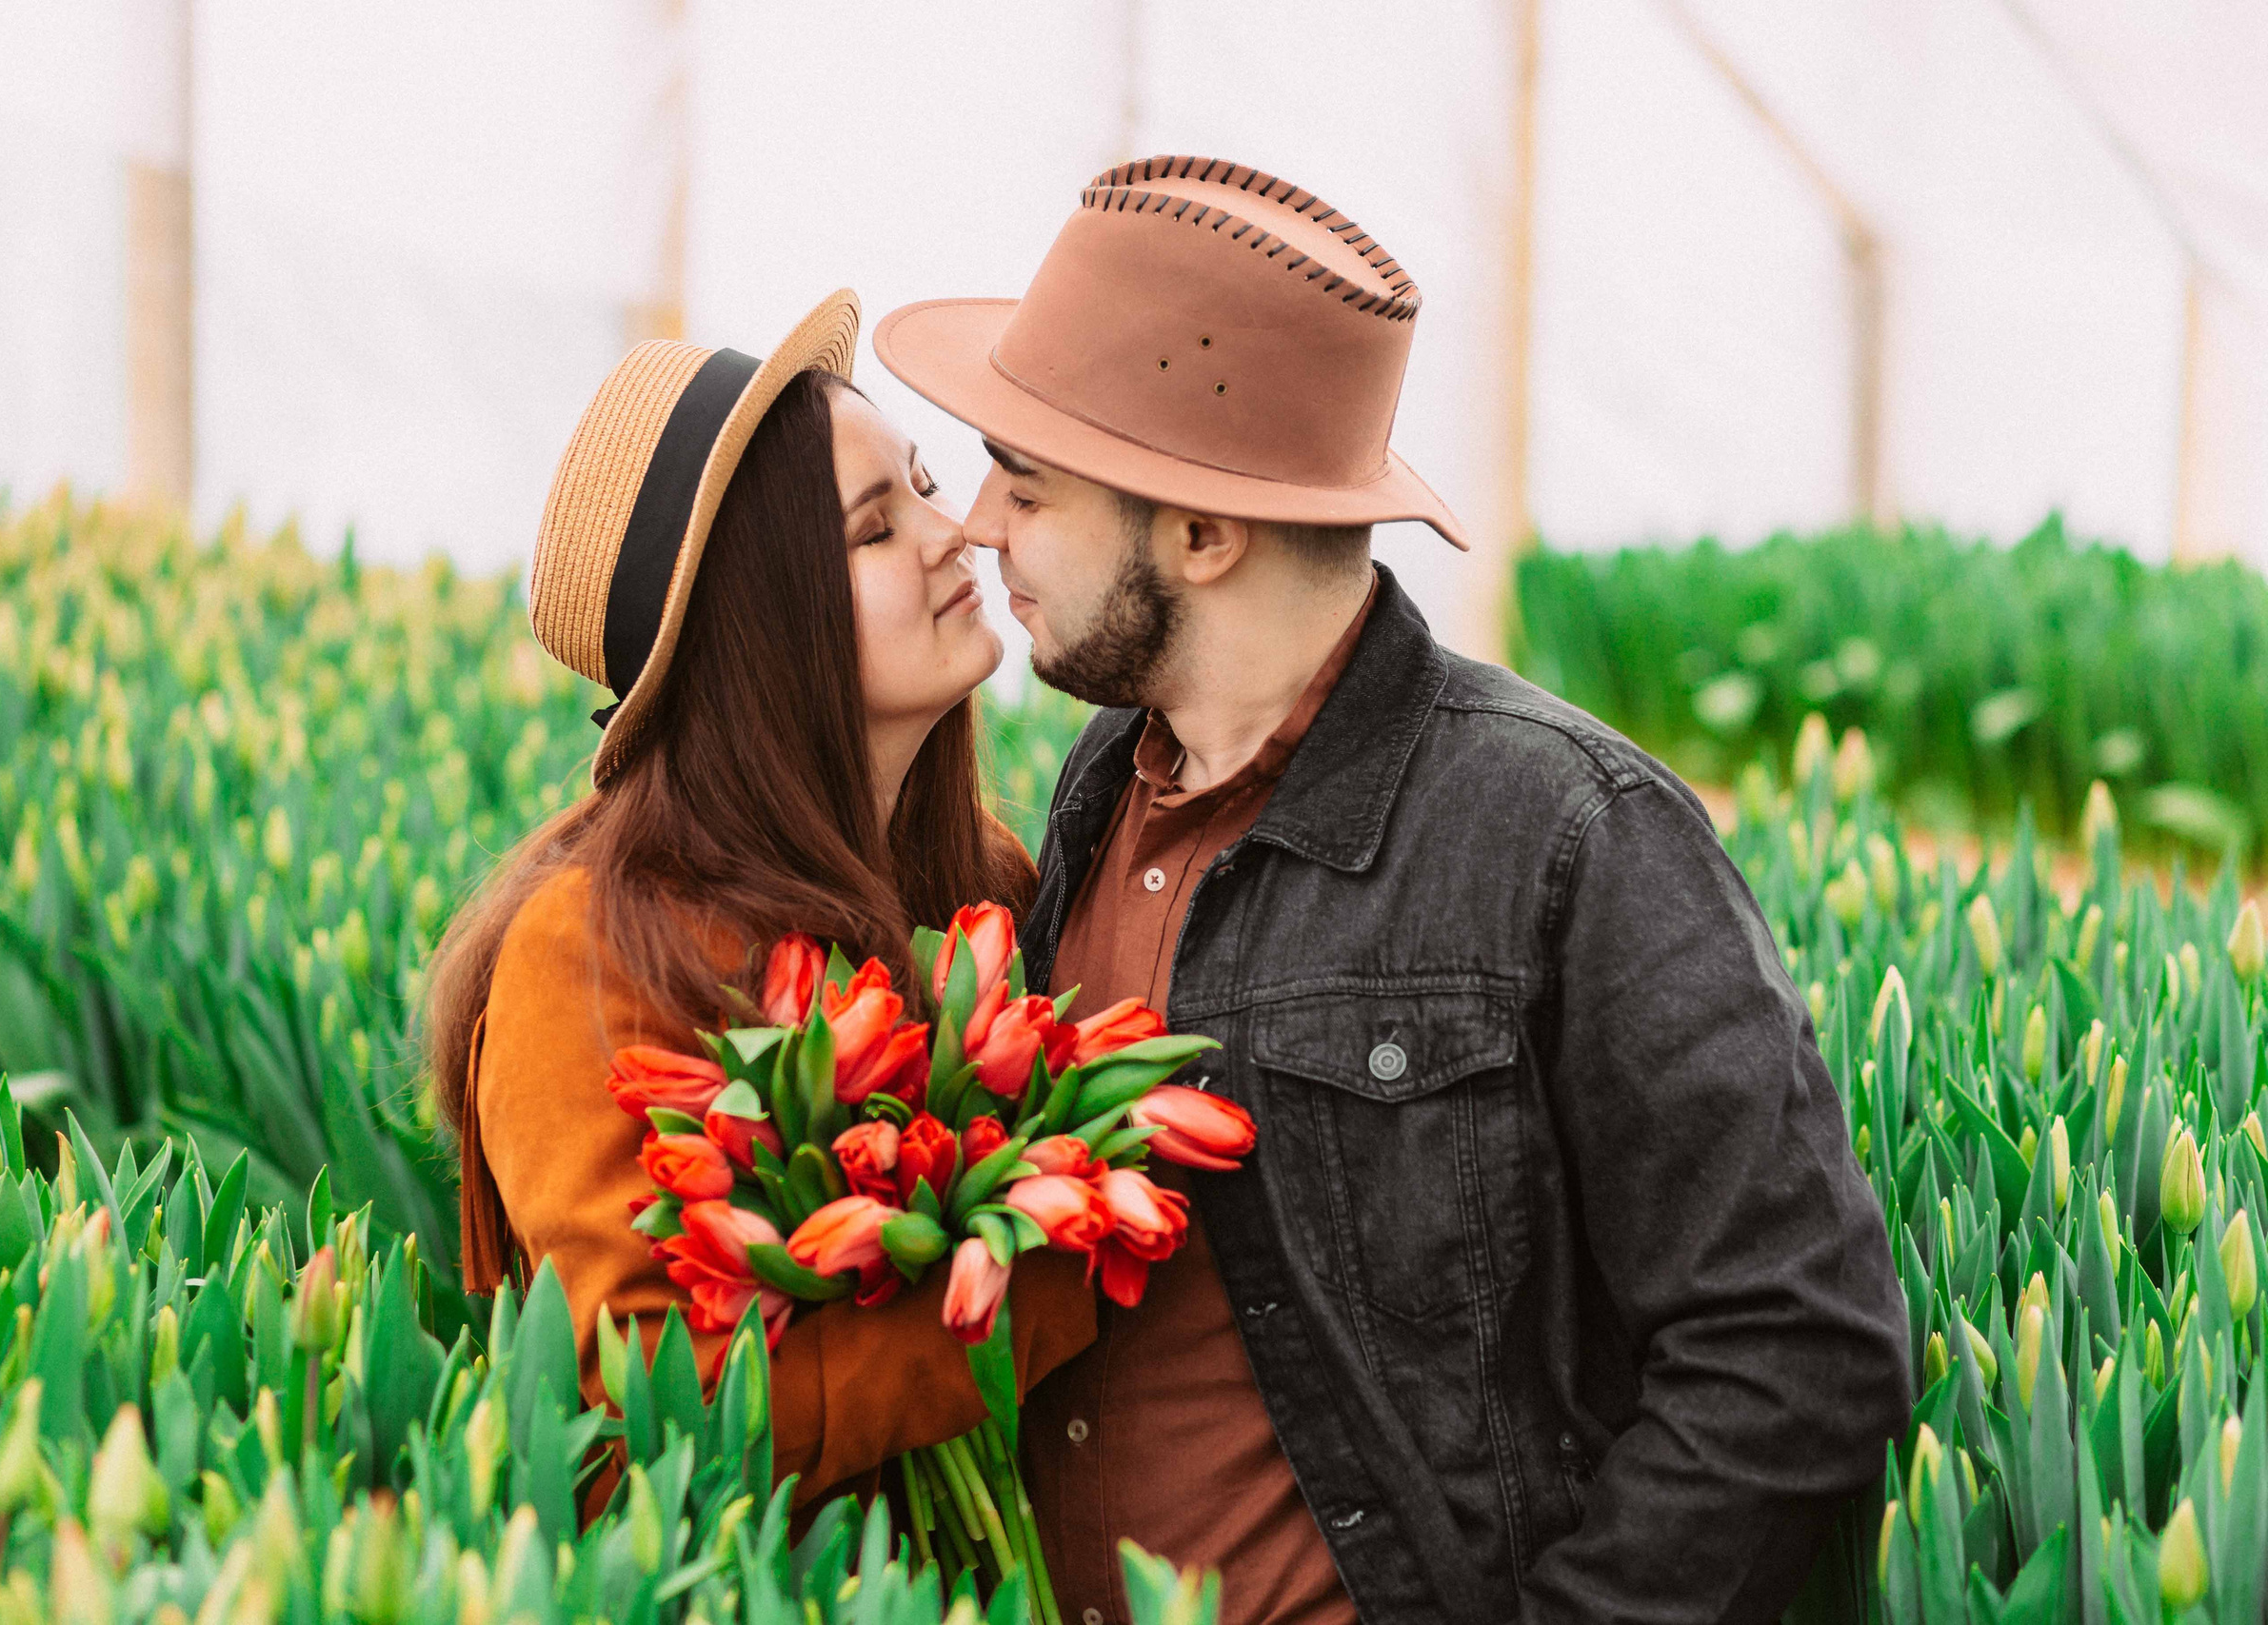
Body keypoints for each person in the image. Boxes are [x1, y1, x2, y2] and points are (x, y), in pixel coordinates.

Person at [875, 156, 1911, 1623]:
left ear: (1203, 534)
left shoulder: (1568, 835)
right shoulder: (1107, 779)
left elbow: (1797, 1345)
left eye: (1027, 484)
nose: (978, 523)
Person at [420, 290, 1095, 1505]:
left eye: (925, 486)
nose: (956, 535)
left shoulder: (985, 885)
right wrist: (1051, 1283)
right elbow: (659, 1404)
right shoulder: (591, 950)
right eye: (873, 530)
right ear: (758, 625)